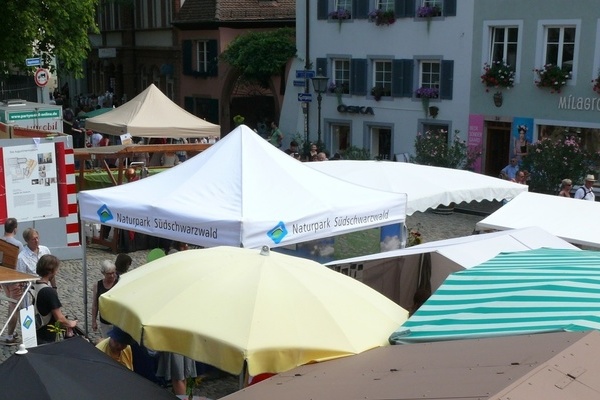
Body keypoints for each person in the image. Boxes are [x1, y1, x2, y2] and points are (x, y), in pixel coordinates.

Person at [34, 255, 78, 344]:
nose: (56, 272)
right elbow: (60, 319)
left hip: (35, 332)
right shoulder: (48, 291)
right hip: (46, 337)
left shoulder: (32, 285)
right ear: (51, 271)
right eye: (56, 269)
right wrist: (71, 323)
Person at [0, 218, 23, 344]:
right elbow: (20, 263)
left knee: (11, 305)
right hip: (14, 279)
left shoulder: (0, 241)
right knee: (15, 307)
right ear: (15, 228)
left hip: (4, 278)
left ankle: (12, 331)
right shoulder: (17, 244)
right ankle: (9, 336)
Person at [92, 260, 119, 338]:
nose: (111, 276)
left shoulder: (119, 283)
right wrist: (94, 321)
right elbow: (95, 304)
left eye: (113, 273)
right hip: (105, 321)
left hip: (117, 321)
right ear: (103, 273)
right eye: (109, 274)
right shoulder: (98, 285)